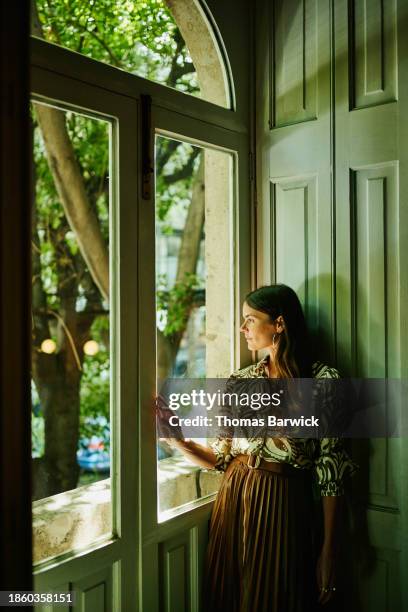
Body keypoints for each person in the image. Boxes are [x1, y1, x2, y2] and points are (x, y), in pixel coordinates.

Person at [157, 284, 358, 612]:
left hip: (284, 504)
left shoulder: (324, 382)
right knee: (230, 597)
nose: (242, 328)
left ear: (279, 324)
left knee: (274, 598)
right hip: (234, 497)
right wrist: (178, 438)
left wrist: (328, 550)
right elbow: (219, 458)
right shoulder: (239, 381)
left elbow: (331, 473)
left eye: (250, 320)